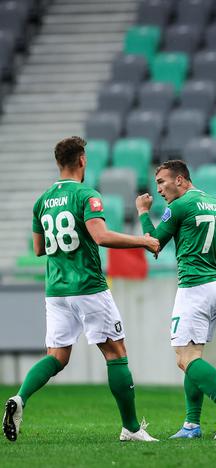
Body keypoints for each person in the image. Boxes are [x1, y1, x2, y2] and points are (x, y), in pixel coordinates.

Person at [3, 136, 160, 443]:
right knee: (116, 354)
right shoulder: (86, 195)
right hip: (87, 286)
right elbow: (100, 237)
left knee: (58, 355)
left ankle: (20, 399)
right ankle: (130, 428)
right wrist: (142, 240)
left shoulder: (42, 200)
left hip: (56, 290)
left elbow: (38, 248)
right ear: (82, 160)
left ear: (58, 162)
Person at [135, 160, 216, 440]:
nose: (158, 189)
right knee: (193, 356)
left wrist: (143, 213)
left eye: (162, 181)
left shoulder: (181, 205)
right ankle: (191, 425)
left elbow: (154, 243)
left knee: (185, 358)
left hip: (195, 287)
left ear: (181, 180)